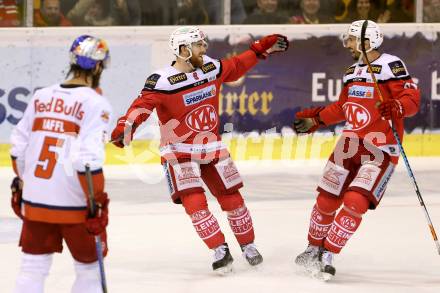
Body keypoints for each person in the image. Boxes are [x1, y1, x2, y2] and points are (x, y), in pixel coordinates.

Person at [111, 26, 288, 273]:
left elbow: (236, 66)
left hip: (211, 145)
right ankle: (219, 249)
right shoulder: (161, 81)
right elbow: (141, 106)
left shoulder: (210, 68)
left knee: (233, 200)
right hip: (178, 150)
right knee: (195, 203)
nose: (205, 49)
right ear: (184, 50)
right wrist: (125, 127)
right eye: (199, 45)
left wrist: (259, 50)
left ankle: (248, 245)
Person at [293, 20, 420, 279]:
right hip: (350, 143)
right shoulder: (352, 70)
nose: (347, 44)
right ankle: (313, 248)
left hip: (381, 147)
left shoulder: (390, 65)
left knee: (354, 201)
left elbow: (412, 99)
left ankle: (328, 253)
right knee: (325, 198)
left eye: (351, 39)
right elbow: (343, 107)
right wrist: (317, 119)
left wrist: (397, 106)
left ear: (366, 42)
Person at [10, 35, 112, 292]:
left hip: (36, 201)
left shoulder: (41, 96)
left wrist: (25, 184)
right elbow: (87, 160)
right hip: (75, 203)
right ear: (98, 66)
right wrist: (96, 200)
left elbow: (18, 147)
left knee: (32, 269)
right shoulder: (95, 103)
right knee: (88, 272)